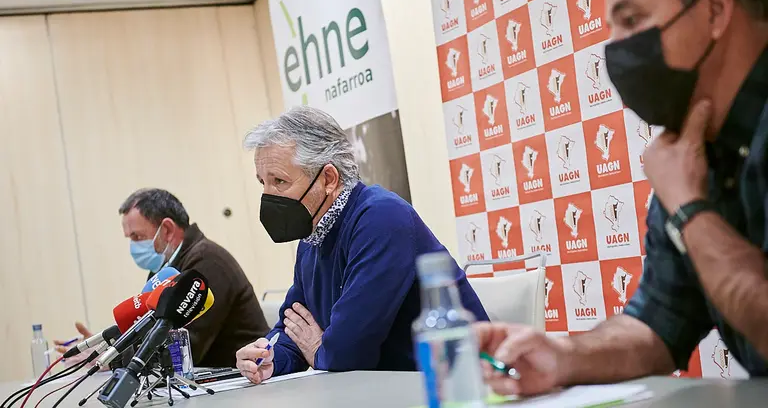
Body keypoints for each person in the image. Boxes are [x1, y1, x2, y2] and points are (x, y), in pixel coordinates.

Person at [474, 0, 768, 396]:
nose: (615, 50)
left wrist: (689, 209)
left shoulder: (684, 177)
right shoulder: (691, 150)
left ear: (716, 10)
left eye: (631, 20)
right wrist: (563, 355)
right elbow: (656, 325)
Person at [235, 106, 489, 383]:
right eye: (263, 182)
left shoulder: (382, 219)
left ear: (328, 179)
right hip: (383, 389)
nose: (268, 195)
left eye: (279, 181)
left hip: (454, 387)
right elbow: (295, 325)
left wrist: (321, 349)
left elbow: (348, 353)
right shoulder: (312, 238)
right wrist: (268, 356)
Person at [54, 188, 270, 367]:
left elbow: (182, 346)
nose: (133, 246)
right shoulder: (165, 271)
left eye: (138, 237)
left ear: (166, 229)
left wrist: (109, 359)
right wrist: (107, 347)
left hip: (246, 382)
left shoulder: (207, 263)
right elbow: (151, 332)